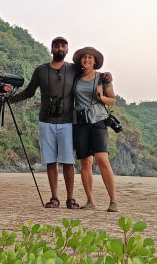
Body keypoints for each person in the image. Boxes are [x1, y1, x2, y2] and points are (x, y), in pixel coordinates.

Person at [7, 37, 110, 209]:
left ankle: (70, 198)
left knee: (68, 161)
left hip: (68, 122)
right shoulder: (40, 70)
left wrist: (107, 76)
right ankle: (54, 198)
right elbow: (30, 92)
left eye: (63, 46)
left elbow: (90, 73)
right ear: (52, 49)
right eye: (57, 46)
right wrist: (10, 100)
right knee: (51, 161)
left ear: (67, 50)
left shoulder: (74, 69)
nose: (60, 48)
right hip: (46, 121)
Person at [72, 46, 118, 212]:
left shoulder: (103, 79)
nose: (87, 60)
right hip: (80, 123)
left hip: (98, 121)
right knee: (85, 162)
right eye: (84, 57)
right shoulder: (76, 77)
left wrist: (101, 96)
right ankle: (90, 201)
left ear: (95, 61)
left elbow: (112, 100)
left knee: (102, 160)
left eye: (91, 58)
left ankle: (113, 201)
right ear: (80, 61)